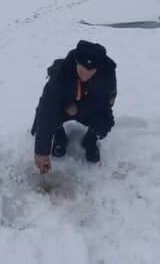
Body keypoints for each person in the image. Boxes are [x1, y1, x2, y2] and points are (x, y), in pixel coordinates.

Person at [31, 39, 117, 174]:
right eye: (82, 71)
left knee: (105, 122)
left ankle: (90, 139)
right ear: (76, 62)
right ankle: (59, 134)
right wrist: (41, 152)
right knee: (50, 119)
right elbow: (47, 108)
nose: (86, 75)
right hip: (64, 107)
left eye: (91, 71)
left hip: (88, 109)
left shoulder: (107, 76)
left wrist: (79, 109)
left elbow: (106, 103)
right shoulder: (60, 74)